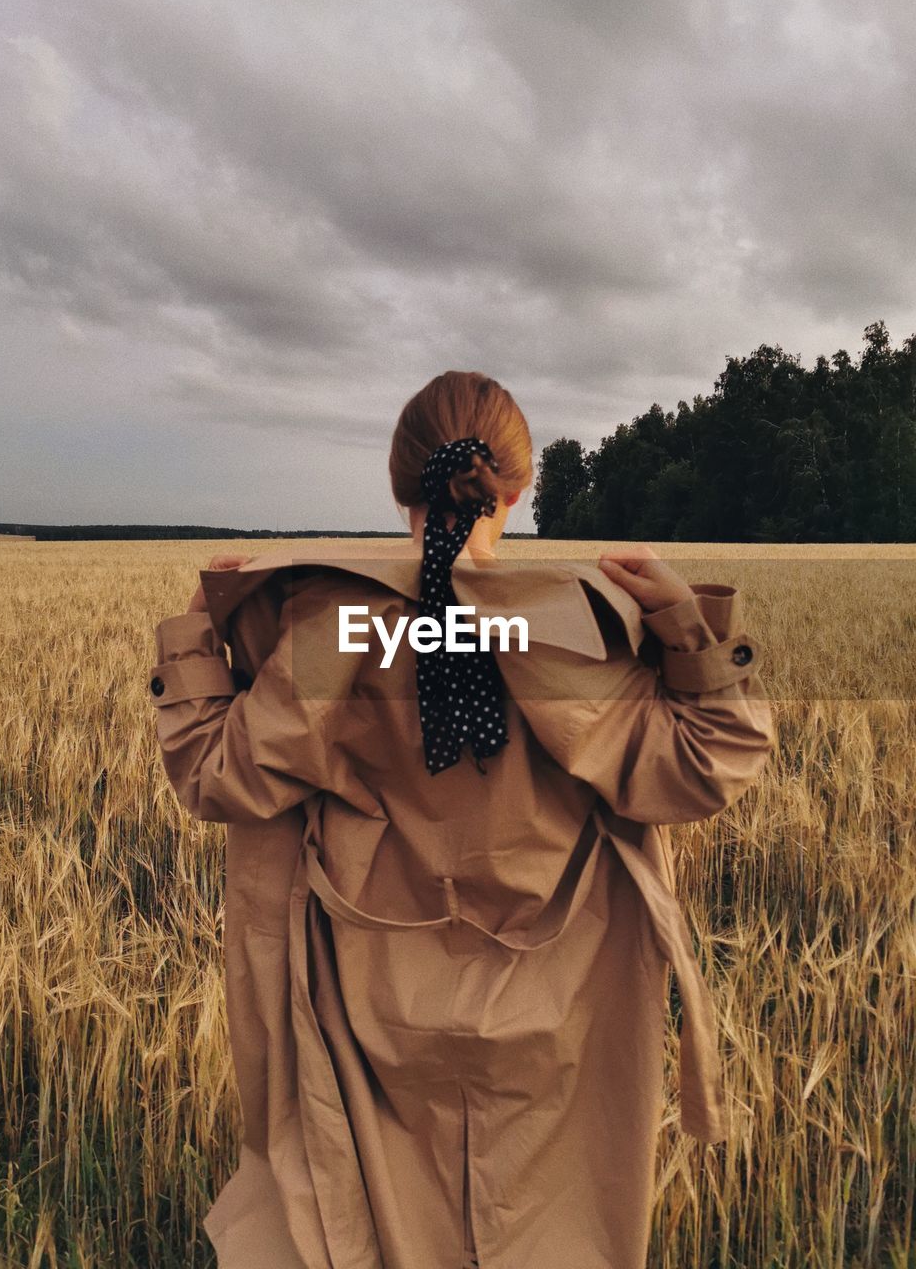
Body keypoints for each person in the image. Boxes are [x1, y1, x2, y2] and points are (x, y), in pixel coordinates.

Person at [148, 370, 775, 1268]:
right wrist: (684, 620)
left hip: (369, 1019)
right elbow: (709, 758)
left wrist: (202, 631)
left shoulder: (332, 632)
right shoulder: (573, 635)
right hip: (559, 1018)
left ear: (400, 489)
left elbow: (216, 777)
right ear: (513, 493)